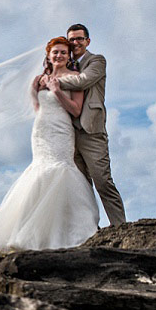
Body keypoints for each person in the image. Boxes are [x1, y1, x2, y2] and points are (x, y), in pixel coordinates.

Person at [0, 36, 99, 265]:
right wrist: (34, 91)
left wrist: (57, 90)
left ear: (68, 56)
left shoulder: (75, 79)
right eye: (55, 52)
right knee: (38, 173)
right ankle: (26, 236)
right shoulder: (41, 78)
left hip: (61, 131)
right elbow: (38, 108)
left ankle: (62, 237)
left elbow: (76, 110)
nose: (59, 56)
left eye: (63, 52)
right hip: (40, 131)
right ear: (48, 55)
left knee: (60, 171)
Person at [56, 24, 127, 226]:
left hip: (91, 130)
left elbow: (83, 82)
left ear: (87, 41)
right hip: (68, 133)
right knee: (80, 186)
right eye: (72, 39)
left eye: (79, 39)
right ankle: (88, 229)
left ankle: (120, 226)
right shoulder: (63, 64)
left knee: (102, 181)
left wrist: (55, 83)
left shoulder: (96, 61)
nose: (75, 43)